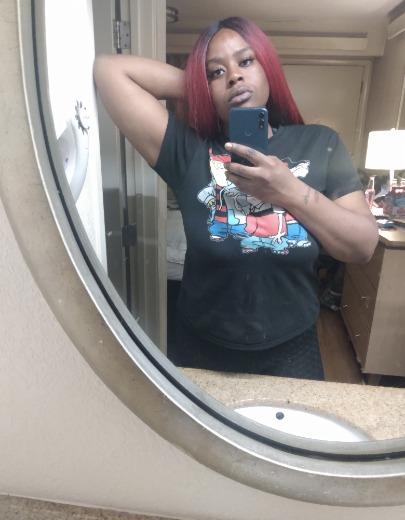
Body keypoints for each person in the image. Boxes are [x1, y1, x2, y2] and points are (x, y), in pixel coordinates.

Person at [94, 16, 378, 380]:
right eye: (216, 72)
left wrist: (289, 190)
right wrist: (200, 87)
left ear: (268, 68)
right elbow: (109, 70)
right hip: (201, 345)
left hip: (292, 348)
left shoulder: (321, 143)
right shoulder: (189, 151)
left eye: (246, 61)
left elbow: (362, 246)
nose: (234, 77)